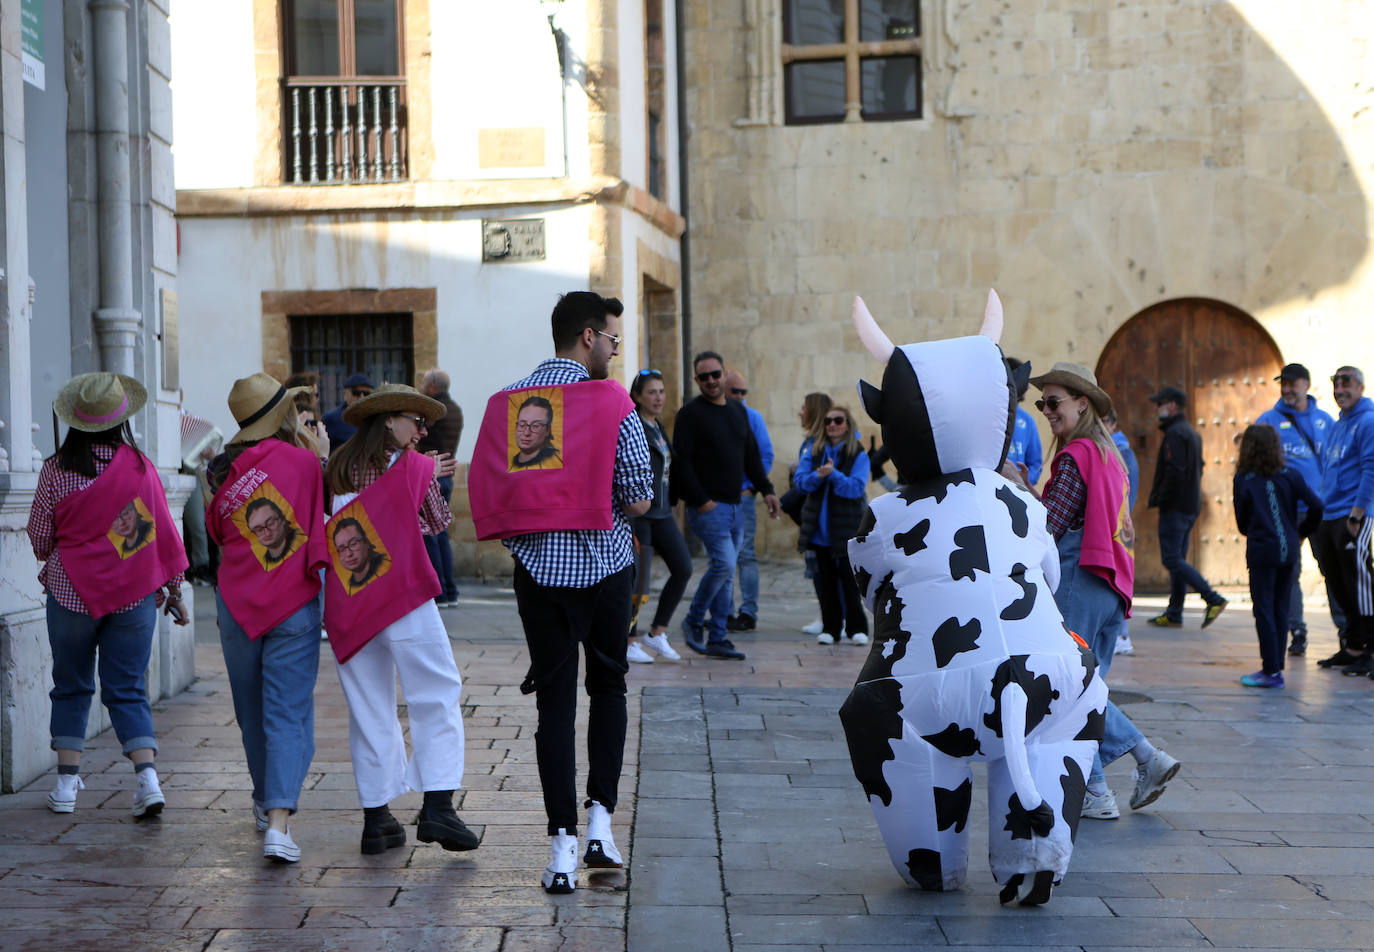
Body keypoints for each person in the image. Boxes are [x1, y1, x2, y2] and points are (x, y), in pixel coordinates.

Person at [498, 291, 653, 893]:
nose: (615, 351)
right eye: (613, 340)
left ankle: (559, 847)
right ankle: (600, 826)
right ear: (589, 336)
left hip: (539, 573)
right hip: (607, 567)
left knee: (553, 705)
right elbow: (638, 499)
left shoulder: (518, 402)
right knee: (608, 687)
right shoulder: (613, 401)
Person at [1017, 362, 1180, 820]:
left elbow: (1049, 526)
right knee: (1086, 692)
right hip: (1112, 585)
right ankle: (1099, 791)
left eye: (1055, 402)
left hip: (1081, 578)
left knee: (1071, 687)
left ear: (1081, 403)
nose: (1046, 411)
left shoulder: (1075, 456)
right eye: (1041, 403)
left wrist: (1019, 488)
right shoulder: (1108, 454)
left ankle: (1145, 758)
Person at [323, 384, 477, 855]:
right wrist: (425, 471)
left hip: (349, 600)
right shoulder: (412, 465)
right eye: (416, 419)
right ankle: (438, 806)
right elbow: (436, 523)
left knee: (369, 707)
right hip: (400, 593)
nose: (423, 429)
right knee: (437, 691)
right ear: (389, 420)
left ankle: (378, 819)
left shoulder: (336, 467)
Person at [27, 373, 190, 818]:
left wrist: (64, 551)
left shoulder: (53, 471)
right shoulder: (140, 468)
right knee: (127, 688)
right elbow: (161, 533)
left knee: (72, 684)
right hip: (133, 594)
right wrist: (174, 590)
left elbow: (40, 535)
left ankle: (65, 786)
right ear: (121, 420)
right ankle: (148, 780)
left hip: (70, 592)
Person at [206, 372, 327, 863]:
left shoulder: (219, 472)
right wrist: (318, 452)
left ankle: (263, 800)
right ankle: (278, 824)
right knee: (287, 712)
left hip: (236, 606)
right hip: (292, 602)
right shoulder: (304, 461)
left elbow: (216, 531)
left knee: (251, 711)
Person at [673, 351, 781, 660]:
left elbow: (751, 457)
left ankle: (718, 637)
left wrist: (767, 490)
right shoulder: (690, 414)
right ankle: (694, 620)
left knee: (726, 571)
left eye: (715, 374)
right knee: (723, 565)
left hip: (736, 507)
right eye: (703, 376)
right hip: (709, 508)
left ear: (723, 375)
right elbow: (682, 462)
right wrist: (701, 500)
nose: (710, 381)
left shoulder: (738, 412)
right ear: (696, 380)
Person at [1256, 363, 1338, 658]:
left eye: (1293, 383)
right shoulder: (1268, 421)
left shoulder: (1325, 422)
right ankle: (1297, 630)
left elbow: (1337, 463)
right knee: (1289, 571)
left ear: (1306, 385)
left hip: (1322, 509)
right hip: (1285, 511)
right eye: (1284, 384)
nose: (1287, 389)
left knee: (1333, 569)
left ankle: (1347, 636)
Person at [1233, 425, 1324, 688]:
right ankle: (1276, 668)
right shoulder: (1290, 475)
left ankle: (1271, 670)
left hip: (1262, 549)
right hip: (1289, 550)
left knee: (1263, 608)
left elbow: (1241, 524)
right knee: (1281, 607)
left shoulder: (1244, 478)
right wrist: (1301, 532)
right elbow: (1317, 506)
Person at [1145, 385, 1227, 628]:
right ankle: (1174, 612)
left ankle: (1212, 598)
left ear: (1171, 405)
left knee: (1172, 559)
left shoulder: (1175, 434)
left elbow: (1175, 472)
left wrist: (1164, 498)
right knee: (1177, 558)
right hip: (1189, 506)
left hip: (1175, 507)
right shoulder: (1190, 432)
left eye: (1159, 404)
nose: (1156, 409)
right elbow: (1197, 467)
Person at [1313, 366, 1374, 676]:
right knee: (1339, 583)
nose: (1340, 390)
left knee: (1360, 583)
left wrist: (1357, 513)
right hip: (1329, 514)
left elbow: (1371, 470)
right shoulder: (1339, 424)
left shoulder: (1368, 420)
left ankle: (1371, 649)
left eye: (1346, 384)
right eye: (1336, 385)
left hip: (1353, 515)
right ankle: (1353, 647)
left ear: (1360, 387)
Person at [625, 369, 690, 664]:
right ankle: (629, 639)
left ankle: (657, 631)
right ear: (637, 396)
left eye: (661, 391)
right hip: (642, 514)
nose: (658, 397)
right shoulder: (634, 426)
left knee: (683, 567)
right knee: (639, 581)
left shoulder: (657, 426)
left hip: (662, 512)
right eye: (651, 392)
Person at [794, 405, 870, 646]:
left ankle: (857, 627)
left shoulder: (857, 453)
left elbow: (856, 488)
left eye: (838, 420)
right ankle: (830, 628)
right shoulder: (813, 450)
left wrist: (833, 474)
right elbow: (800, 483)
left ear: (847, 424)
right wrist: (819, 476)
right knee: (825, 582)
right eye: (828, 421)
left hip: (846, 529)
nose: (833, 425)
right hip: (819, 531)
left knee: (850, 581)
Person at [724, 369, 773, 632]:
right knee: (722, 557)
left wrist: (752, 488)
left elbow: (765, 455)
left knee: (744, 555)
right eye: (736, 392)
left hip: (741, 498)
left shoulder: (752, 417)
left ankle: (748, 612)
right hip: (719, 500)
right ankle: (724, 611)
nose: (741, 397)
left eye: (744, 392)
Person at [418, 369, 463, 607]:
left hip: (433, 473)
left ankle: (441, 592)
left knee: (431, 534)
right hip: (448, 474)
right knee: (441, 533)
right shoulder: (455, 408)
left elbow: (422, 437)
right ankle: (450, 590)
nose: (422, 387)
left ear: (433, 387)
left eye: (424, 384)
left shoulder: (435, 411)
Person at [1102, 409, 1139, 656]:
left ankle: (1122, 635)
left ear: (1114, 424)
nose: (1101, 426)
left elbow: (1127, 495)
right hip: (1116, 525)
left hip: (1117, 526)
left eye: (1105, 421)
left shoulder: (1120, 452)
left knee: (1117, 581)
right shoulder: (1114, 450)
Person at [1005, 357, 1044, 486]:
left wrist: (1022, 480)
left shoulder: (1027, 422)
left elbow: (1036, 463)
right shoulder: (989, 415)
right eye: (1025, 381)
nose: (1028, 387)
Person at [322, 372, 375, 453]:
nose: (362, 397)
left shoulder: (375, 417)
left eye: (366, 393)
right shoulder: (331, 419)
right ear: (345, 394)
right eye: (356, 393)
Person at [332, 518, 388, 592]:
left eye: (353, 544)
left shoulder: (385, 566)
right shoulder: (349, 587)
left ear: (366, 542)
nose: (349, 554)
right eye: (342, 549)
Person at [511, 396, 563, 468]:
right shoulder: (511, 462)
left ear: (547, 430)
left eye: (535, 426)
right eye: (522, 425)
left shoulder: (555, 459)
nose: (526, 433)